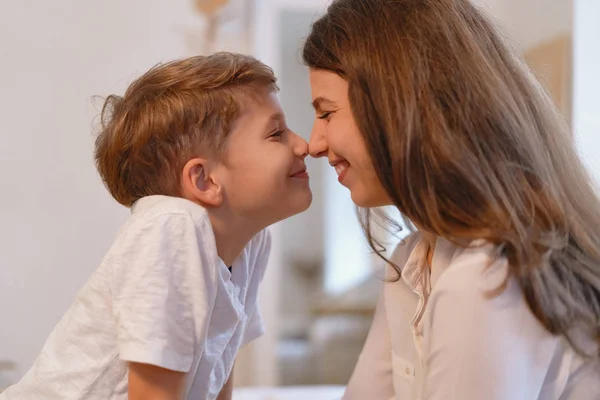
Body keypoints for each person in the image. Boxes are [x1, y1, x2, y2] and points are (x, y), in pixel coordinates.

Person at [303, 0, 600, 399]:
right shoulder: (413, 262)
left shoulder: (487, 279)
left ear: (398, 104)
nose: (313, 143)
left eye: (326, 113)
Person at [1, 52, 312, 400]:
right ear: (205, 179)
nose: (304, 144)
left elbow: (218, 370)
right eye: (276, 133)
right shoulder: (170, 226)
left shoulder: (252, 244)